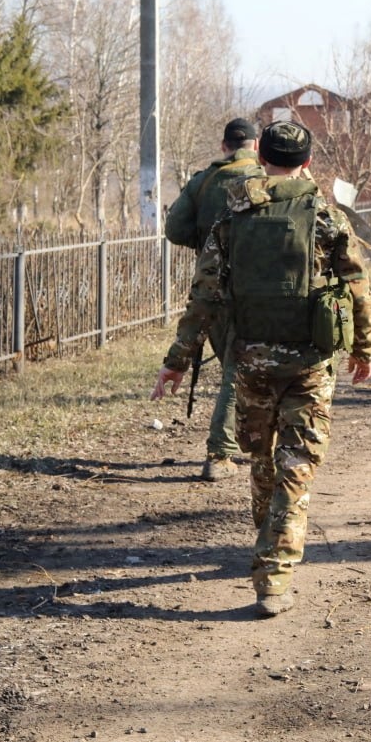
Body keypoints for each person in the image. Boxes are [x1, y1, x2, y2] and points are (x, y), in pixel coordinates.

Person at [151, 120, 371, 618]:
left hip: (251, 357)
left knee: (264, 459)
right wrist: (363, 347)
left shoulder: (233, 215)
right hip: (311, 361)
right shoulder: (325, 215)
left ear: (262, 158)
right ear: (308, 162)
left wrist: (177, 362)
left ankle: (267, 541)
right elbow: (357, 285)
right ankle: (274, 569)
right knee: (297, 466)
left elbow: (205, 293)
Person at [163, 117, 266, 482]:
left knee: (233, 370)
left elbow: (174, 229)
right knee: (236, 374)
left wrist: (208, 244)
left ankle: (241, 445)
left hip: (211, 289)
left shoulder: (203, 180)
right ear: (254, 146)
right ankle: (220, 453)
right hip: (255, 291)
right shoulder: (265, 180)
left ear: (224, 146)